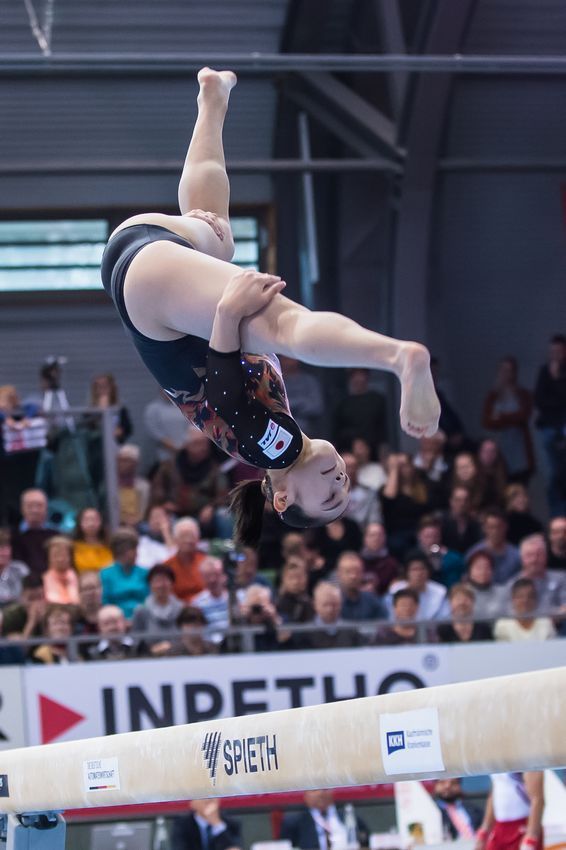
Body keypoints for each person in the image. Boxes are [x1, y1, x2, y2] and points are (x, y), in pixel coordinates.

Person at [100, 67, 440, 550]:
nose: (340, 480)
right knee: (219, 233)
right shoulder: (280, 433)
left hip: (150, 286)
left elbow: (226, 397)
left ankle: (399, 357)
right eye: (345, 486)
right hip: (140, 265)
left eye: (329, 496)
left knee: (288, 327)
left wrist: (227, 313)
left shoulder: (276, 448)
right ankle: (212, 99)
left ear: (282, 498)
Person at [482, 356, 535, 484]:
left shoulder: (522, 394)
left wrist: (501, 416)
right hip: (501, 444)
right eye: (503, 370)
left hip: (519, 447)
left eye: (509, 370)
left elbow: (524, 415)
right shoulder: (493, 396)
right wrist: (511, 417)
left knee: (521, 482)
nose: (506, 373)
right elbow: (487, 421)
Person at [534, 334, 566, 516]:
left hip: (563, 425)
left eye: (559, 351)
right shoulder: (544, 372)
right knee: (552, 475)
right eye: (552, 351)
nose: (555, 355)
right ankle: (557, 517)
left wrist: (557, 379)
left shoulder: (558, 374)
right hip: (549, 428)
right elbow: (539, 401)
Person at [475, 772, 544, 850]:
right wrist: (484, 829)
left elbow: (537, 799)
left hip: (524, 825)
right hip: (499, 826)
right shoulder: (493, 764)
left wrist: (531, 837)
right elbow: (496, 792)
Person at [281, 789, 368, 850]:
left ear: (332, 791)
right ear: (305, 795)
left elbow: (366, 841)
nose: (320, 793)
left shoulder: (349, 814)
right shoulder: (294, 822)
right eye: (314, 790)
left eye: (325, 789)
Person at [131, 563, 184, 653]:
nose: (161, 585)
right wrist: (151, 650)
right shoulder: (141, 611)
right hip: (150, 658)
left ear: (172, 583)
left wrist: (172, 647)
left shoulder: (181, 609)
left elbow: (187, 637)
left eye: (165, 580)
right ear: (150, 585)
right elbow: (136, 642)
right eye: (157, 581)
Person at [100, 528, 148, 619]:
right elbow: (105, 602)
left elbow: (149, 600)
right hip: (114, 620)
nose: (137, 553)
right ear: (121, 551)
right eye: (133, 549)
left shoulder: (144, 573)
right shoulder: (105, 574)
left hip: (143, 620)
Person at [11, 488, 57, 576]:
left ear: (46, 508)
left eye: (39, 505)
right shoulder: (11, 536)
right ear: (22, 508)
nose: (35, 510)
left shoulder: (56, 536)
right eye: (30, 505)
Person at [164, 517, 206, 603]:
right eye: (183, 536)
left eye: (192, 536)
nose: (188, 540)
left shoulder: (205, 562)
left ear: (198, 539)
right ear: (175, 540)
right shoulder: (167, 566)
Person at [171, 798, 241, 850]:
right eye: (203, 798)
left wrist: (217, 824)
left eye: (212, 797)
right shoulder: (182, 824)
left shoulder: (231, 822)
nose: (208, 799)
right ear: (192, 803)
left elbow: (234, 848)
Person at [72, 507, 113, 572]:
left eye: (95, 520)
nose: (91, 524)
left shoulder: (110, 546)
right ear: (80, 523)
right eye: (86, 520)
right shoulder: (72, 547)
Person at [42, 535, 80, 605]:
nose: (60, 559)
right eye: (56, 555)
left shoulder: (78, 577)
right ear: (48, 558)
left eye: (64, 555)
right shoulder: (43, 579)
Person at [0, 527, 29, 607]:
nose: (2, 553)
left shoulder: (20, 569)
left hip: (17, 609)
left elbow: (28, 595)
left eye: (5, 548)